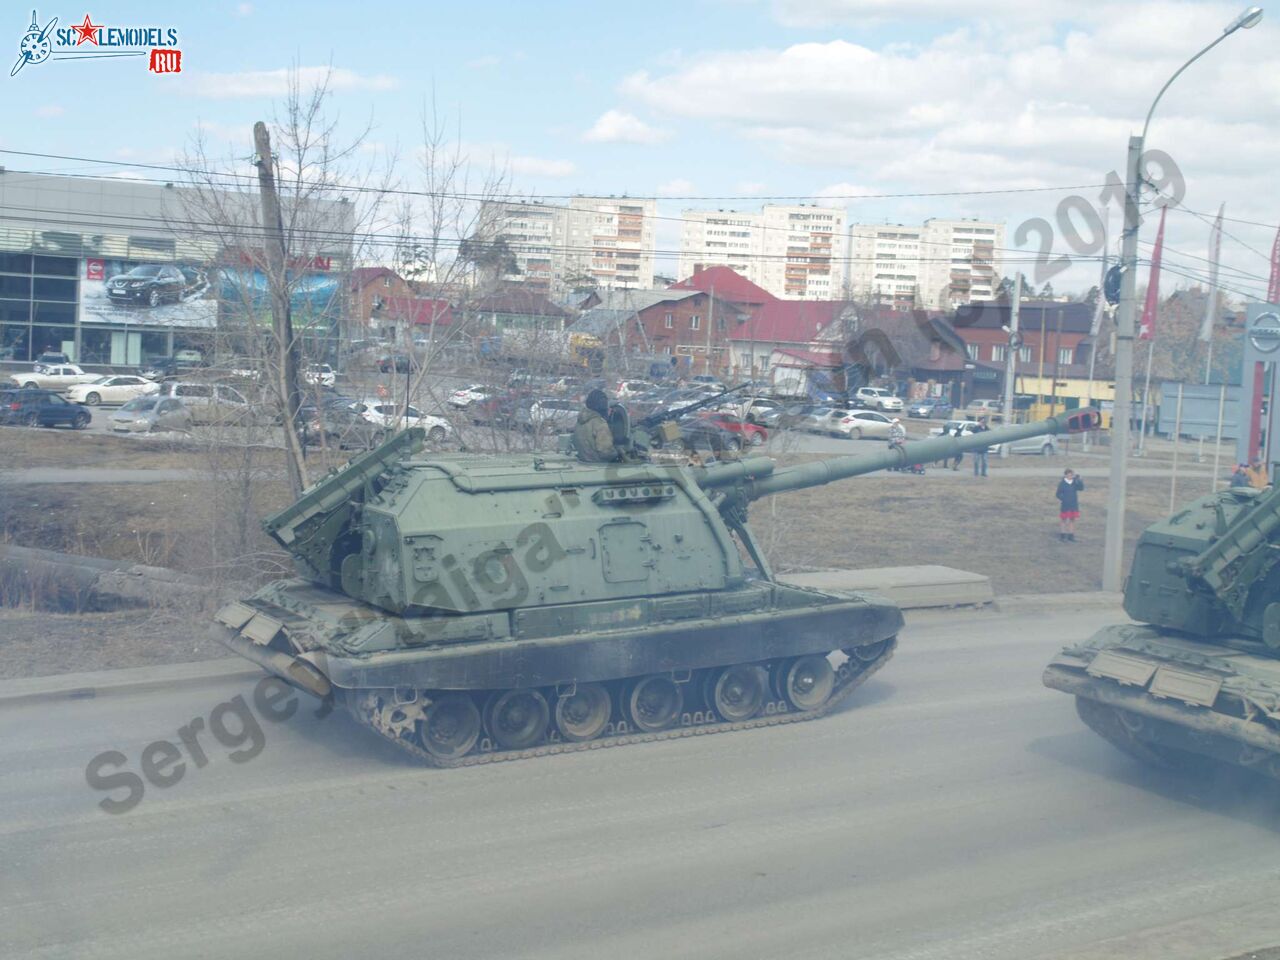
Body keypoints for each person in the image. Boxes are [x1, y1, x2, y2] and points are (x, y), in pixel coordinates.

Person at [572, 388, 619, 462]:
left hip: (583, 461)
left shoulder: (581, 420)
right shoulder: (600, 424)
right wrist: (617, 453)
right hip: (598, 464)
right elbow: (605, 452)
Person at [1056, 468, 1084, 542]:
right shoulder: (1062, 483)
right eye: (1068, 475)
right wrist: (1064, 499)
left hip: (1073, 504)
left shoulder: (1075, 482)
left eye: (1071, 474)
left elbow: (1081, 488)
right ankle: (1063, 535)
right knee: (1064, 520)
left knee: (1072, 519)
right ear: (1065, 475)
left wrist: (1079, 480)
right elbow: (1058, 494)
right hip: (1065, 505)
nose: (1070, 476)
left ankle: (1071, 535)